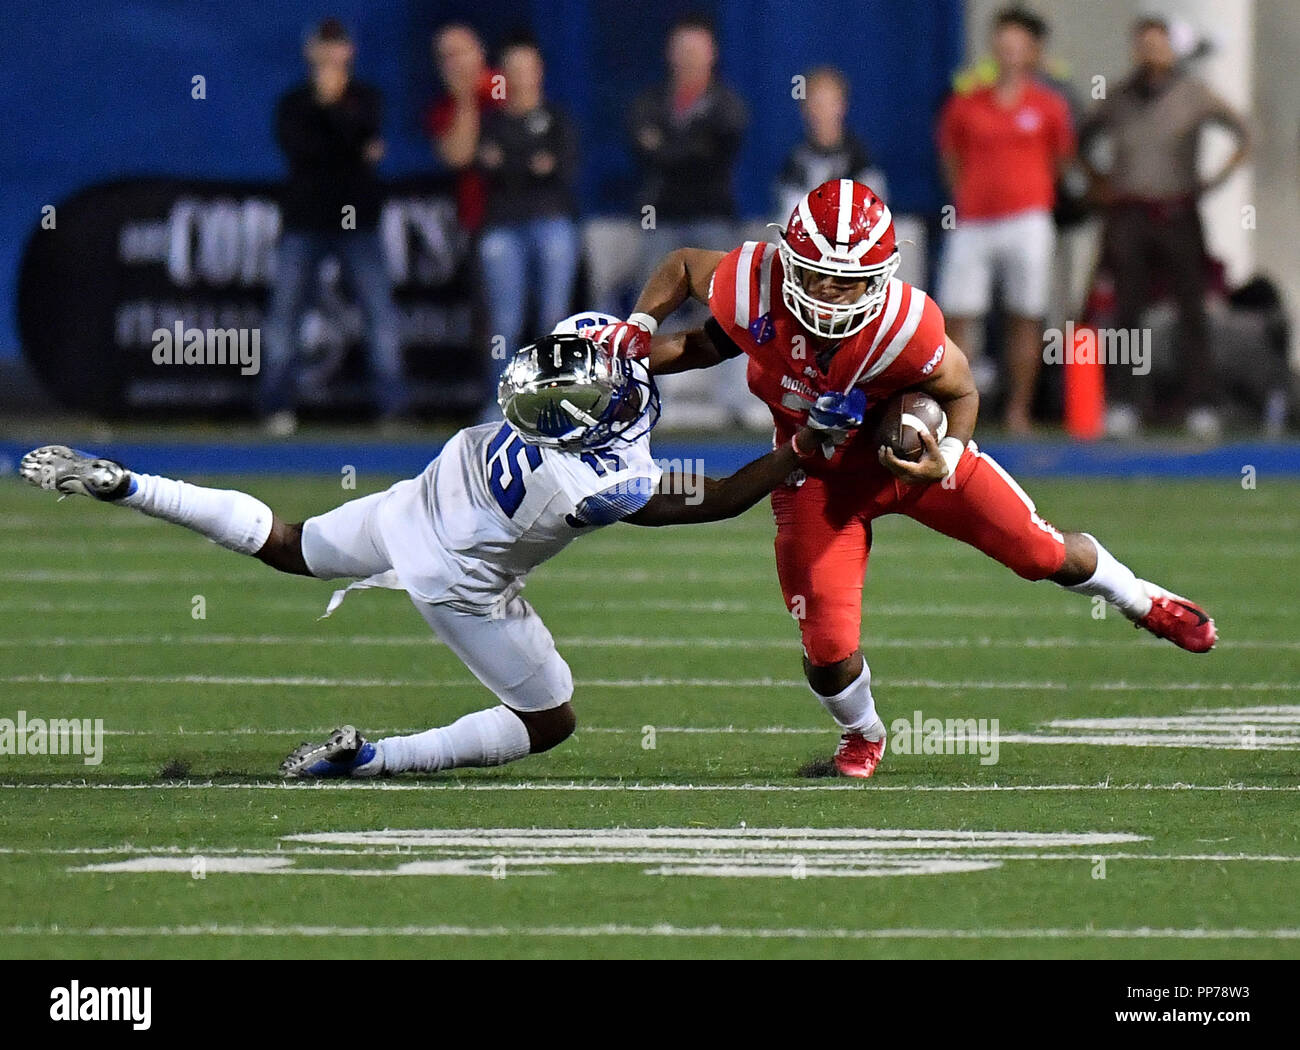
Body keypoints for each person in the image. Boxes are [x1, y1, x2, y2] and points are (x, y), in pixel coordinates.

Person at [19, 314, 864, 779]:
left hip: (414, 504)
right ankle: (377, 762)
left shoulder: (566, 372)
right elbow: (712, 498)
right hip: (459, 576)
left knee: (284, 543)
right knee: (550, 720)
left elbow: (639, 350)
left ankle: (134, 487)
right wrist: (798, 450)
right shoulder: (595, 485)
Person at [599, 179, 1216, 779]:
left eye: (852, 283)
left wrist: (945, 454)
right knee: (827, 652)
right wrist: (640, 328)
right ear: (790, 262)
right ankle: (863, 732)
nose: (834, 297)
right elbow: (682, 265)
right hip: (816, 475)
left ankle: (1138, 597)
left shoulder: (904, 324)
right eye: (820, 278)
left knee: (1040, 552)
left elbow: (964, 391)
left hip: (910, 463)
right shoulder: (752, 282)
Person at [1079, 16, 1251, 440]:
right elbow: (1081, 139)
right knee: (1126, 310)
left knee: (1192, 309)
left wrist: (1212, 182)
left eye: (1159, 44)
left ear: (1172, 49)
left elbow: (1242, 133)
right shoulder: (1119, 95)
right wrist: (1100, 183)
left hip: (1177, 213)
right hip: (1130, 215)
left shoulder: (1193, 94)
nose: (1151, 52)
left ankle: (1201, 402)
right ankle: (1125, 402)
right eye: (1144, 44)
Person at [260, 18, 406, 436]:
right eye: (322, 47)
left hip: (359, 220)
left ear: (349, 51)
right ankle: (276, 405)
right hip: (305, 221)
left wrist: (334, 111)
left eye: (336, 46)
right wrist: (334, 121)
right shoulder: (294, 102)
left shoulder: (366, 98)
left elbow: (363, 142)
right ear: (311, 51)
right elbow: (303, 150)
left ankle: (392, 407)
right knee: (285, 315)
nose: (329, 55)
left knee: (380, 313)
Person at [935, 7, 1075, 434]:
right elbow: (949, 157)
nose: (1008, 53)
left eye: (1017, 46)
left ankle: (1018, 410)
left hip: (1028, 219)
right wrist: (970, 194)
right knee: (957, 315)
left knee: (1025, 314)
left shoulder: (1050, 104)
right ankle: (952, 406)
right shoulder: (966, 101)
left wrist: (1028, 192)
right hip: (974, 220)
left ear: (1033, 52)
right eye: (1002, 44)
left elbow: (1062, 160)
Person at [627, 15, 754, 428]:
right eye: (682, 50)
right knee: (646, 313)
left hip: (713, 218)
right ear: (670, 54)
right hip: (660, 220)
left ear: (712, 54)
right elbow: (643, 148)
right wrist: (688, 147)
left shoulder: (727, 104)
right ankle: (636, 398)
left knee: (734, 307)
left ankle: (734, 401)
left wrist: (669, 147)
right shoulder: (651, 100)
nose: (689, 59)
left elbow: (715, 149)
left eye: (696, 50)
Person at [476, 36, 581, 421]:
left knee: (553, 318)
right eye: (513, 69)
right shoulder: (493, 122)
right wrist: (529, 165)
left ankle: (551, 402)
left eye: (527, 68)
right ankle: (500, 402)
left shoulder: (557, 118)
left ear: (539, 72)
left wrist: (512, 164)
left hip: (552, 222)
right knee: (505, 320)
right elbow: (487, 164)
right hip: (502, 226)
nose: (520, 77)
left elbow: (561, 167)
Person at [775, 66, 886, 222]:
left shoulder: (861, 162)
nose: (823, 112)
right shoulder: (794, 162)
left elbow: (873, 216)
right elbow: (788, 216)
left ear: (843, 106)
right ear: (805, 109)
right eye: (817, 103)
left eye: (831, 102)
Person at [425, 22, 501, 233]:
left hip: (521, 204)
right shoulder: (442, 109)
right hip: (479, 214)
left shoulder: (499, 84)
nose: (457, 62)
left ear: (479, 53)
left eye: (462, 53)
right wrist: (465, 100)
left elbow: (517, 118)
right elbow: (459, 156)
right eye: (447, 57)